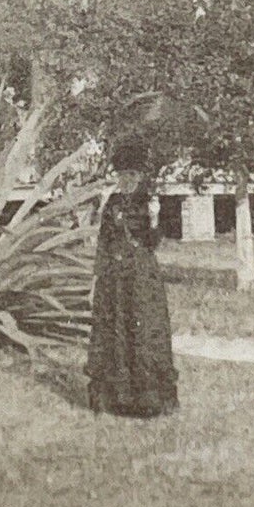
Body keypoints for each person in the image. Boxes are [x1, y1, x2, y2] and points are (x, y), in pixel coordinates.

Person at [85, 128, 179, 418]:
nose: (126, 181)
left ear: (141, 176)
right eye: (122, 174)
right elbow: (103, 239)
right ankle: (115, 399)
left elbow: (153, 242)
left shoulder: (149, 202)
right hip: (114, 278)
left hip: (140, 278)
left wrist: (155, 218)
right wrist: (99, 274)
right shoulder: (112, 202)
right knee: (113, 331)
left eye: (132, 175)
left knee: (144, 332)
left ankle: (148, 401)